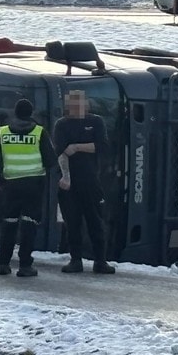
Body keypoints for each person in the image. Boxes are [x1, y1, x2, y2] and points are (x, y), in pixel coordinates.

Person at [0, 98, 56, 278]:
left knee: (9, 224)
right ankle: (25, 266)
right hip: (33, 185)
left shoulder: (3, 132)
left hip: (10, 185)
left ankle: (3, 263)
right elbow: (51, 160)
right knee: (29, 225)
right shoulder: (39, 133)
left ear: (15, 113)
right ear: (31, 113)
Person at [53, 90, 115, 274]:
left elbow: (103, 146)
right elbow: (61, 152)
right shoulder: (62, 125)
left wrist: (77, 146)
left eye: (79, 103)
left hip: (91, 181)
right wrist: (65, 177)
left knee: (96, 221)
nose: (76, 107)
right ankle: (75, 260)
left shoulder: (95, 122)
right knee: (72, 223)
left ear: (86, 104)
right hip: (69, 183)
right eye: (72, 103)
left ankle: (100, 261)